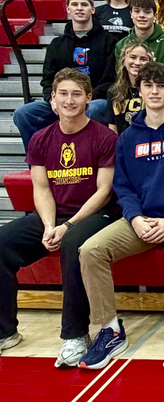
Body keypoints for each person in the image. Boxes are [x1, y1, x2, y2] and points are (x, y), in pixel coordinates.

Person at [78, 61, 164, 370]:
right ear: (139, 91)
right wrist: (136, 218)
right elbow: (123, 186)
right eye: (148, 86)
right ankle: (110, 329)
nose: (155, 91)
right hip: (141, 219)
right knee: (90, 250)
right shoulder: (127, 138)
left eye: (161, 86)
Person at [0, 70, 120, 368]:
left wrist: (67, 226)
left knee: (71, 241)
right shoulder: (41, 139)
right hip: (57, 214)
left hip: (97, 213)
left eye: (76, 94)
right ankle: (6, 332)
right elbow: (41, 188)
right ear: (52, 99)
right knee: (1, 244)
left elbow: (104, 192)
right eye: (62, 94)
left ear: (89, 99)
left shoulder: (105, 137)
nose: (69, 100)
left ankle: (76, 335)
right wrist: (50, 224)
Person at [13, 0, 116, 150]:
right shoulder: (56, 45)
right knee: (24, 113)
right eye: (74, 4)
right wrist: (53, 99)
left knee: (95, 108)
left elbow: (111, 80)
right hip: (63, 99)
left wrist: (84, 99)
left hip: (94, 100)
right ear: (68, 9)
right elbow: (48, 81)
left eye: (84, 4)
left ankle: (88, 157)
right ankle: (39, 160)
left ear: (93, 9)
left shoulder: (110, 42)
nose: (79, 8)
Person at [114, 0, 164, 71]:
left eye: (147, 12)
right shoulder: (121, 45)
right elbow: (120, 76)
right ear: (131, 14)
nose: (142, 15)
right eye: (137, 11)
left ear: (155, 16)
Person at [108, 41, 153, 134]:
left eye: (143, 59)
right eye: (133, 57)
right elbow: (112, 129)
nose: (137, 63)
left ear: (150, 62)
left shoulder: (155, 91)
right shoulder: (114, 92)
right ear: (124, 61)